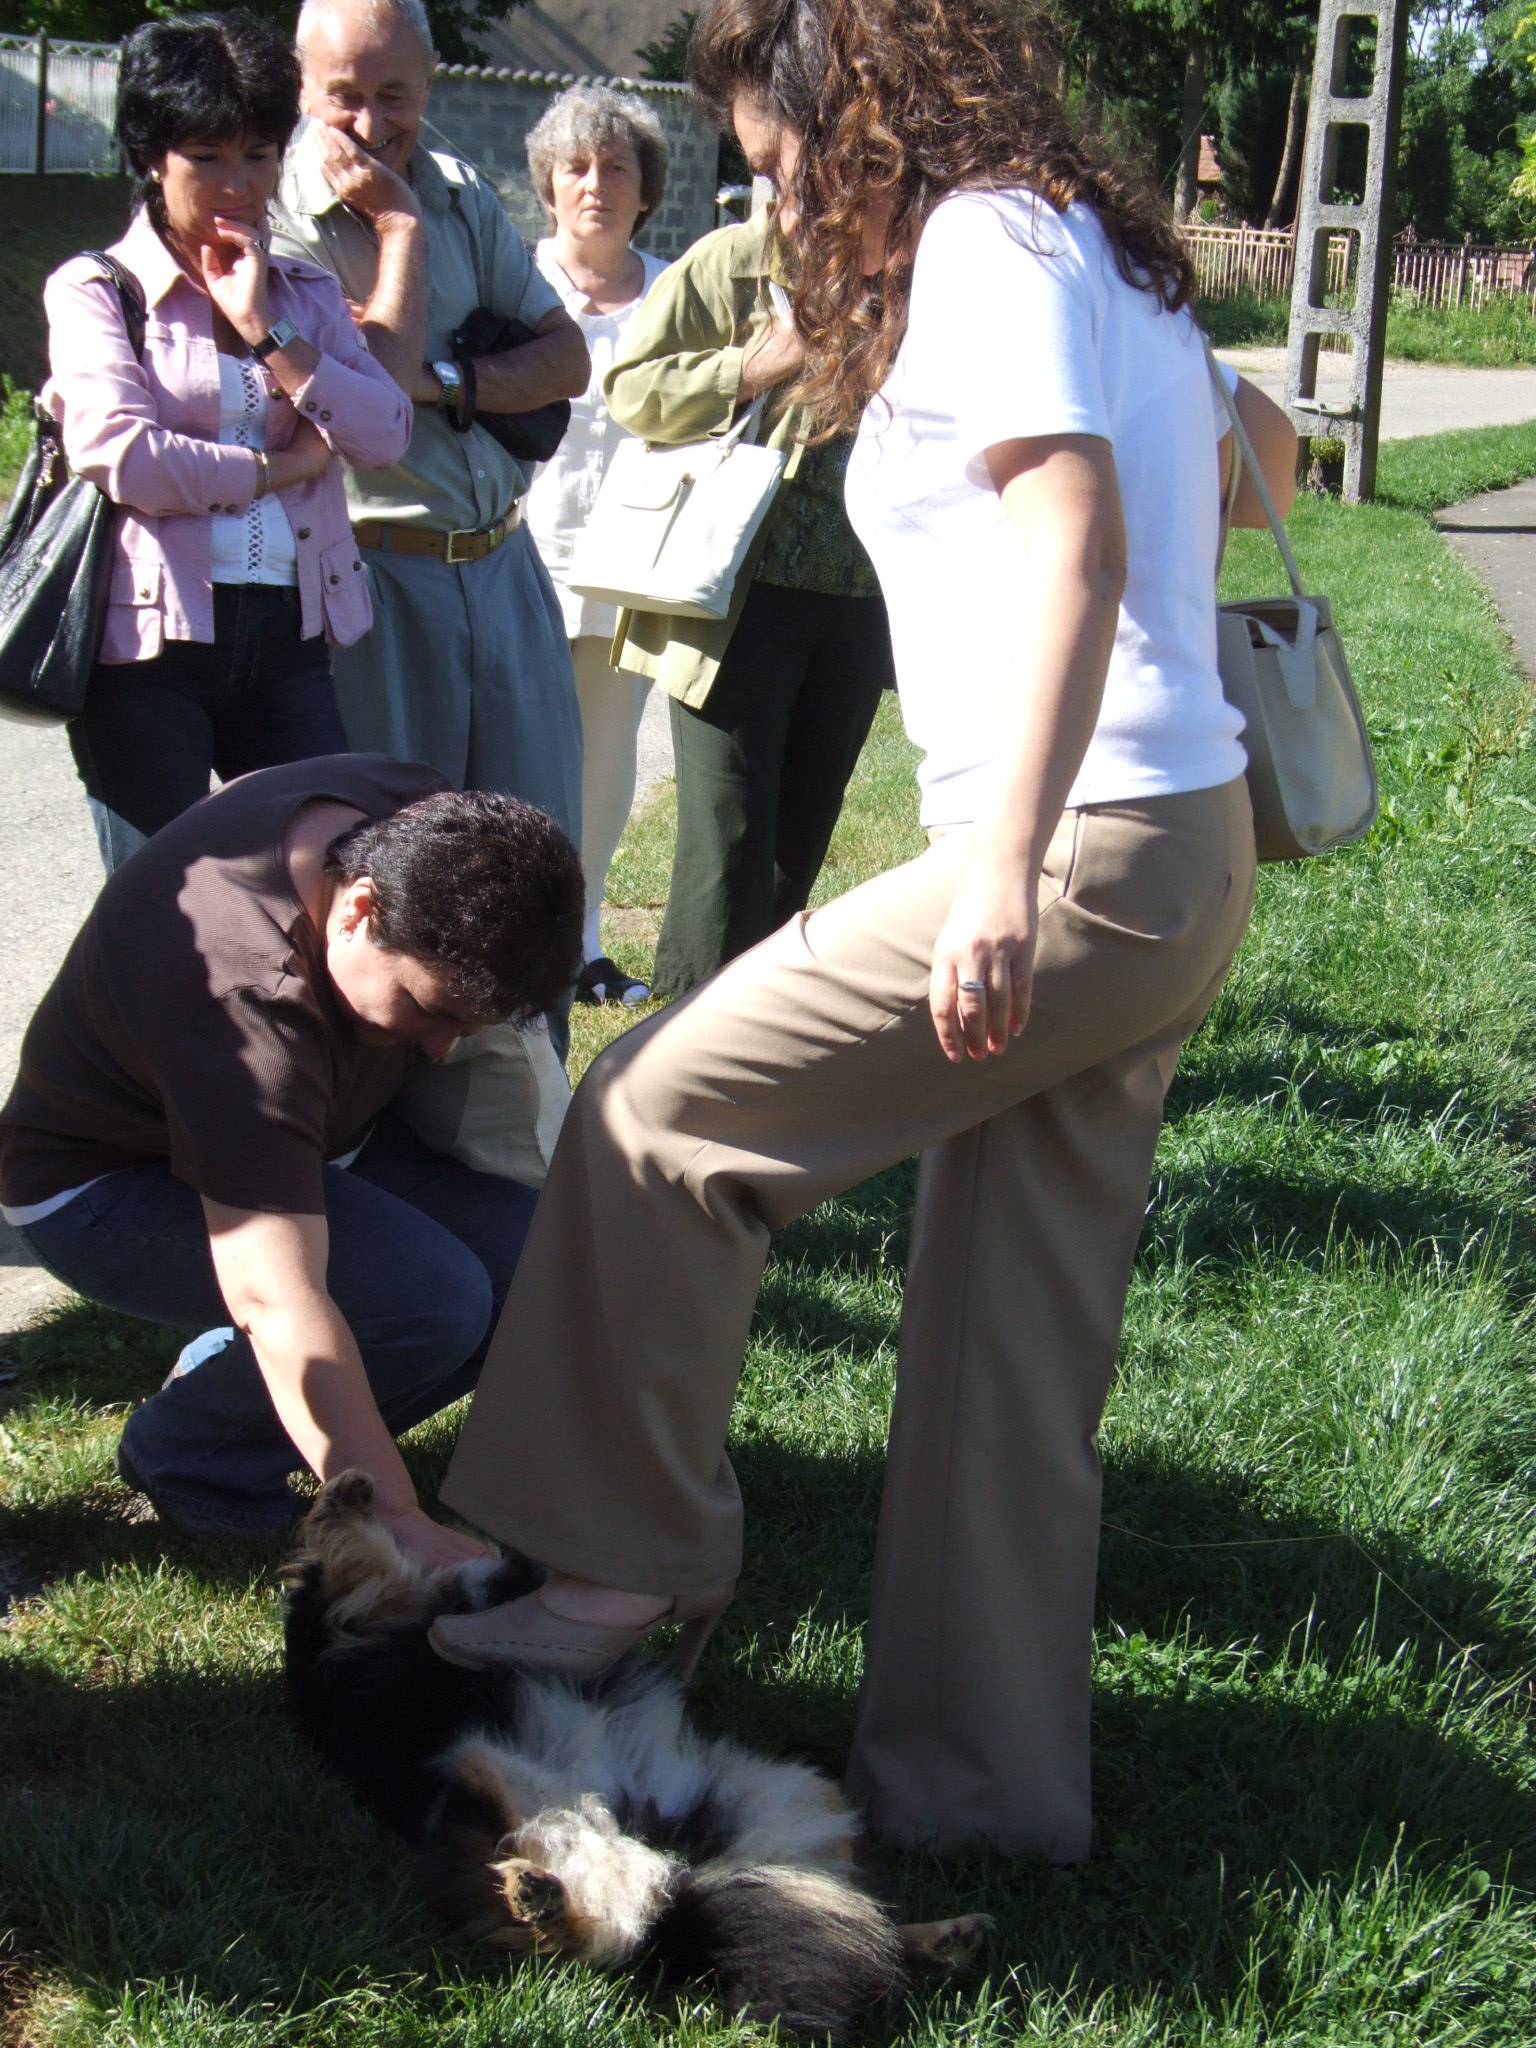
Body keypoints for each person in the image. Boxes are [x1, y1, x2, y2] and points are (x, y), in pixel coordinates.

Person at [424, 0, 1301, 1860]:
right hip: (1177, 841)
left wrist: (999, 860)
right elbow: (1264, 455)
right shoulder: (1092, 239)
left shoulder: (984, 239)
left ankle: (619, 1562)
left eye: (782, 155)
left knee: (656, 1116)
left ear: (867, 113)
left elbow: (1076, 539)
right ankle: (978, 1802)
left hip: (1074, 850)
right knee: (1005, 1352)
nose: (781, 196)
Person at [0, 757, 583, 1561]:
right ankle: (192, 1453)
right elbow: (276, 1295)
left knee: (538, 1267)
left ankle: (226, 1387)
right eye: (430, 1009)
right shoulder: (246, 1004)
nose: (441, 1048)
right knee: (429, 1304)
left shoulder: (415, 820)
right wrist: (394, 1518)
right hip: (110, 1182)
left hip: (319, 1136)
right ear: (361, 910)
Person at [44, 11, 412, 873]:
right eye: (206, 157)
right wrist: (278, 468)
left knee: (321, 876)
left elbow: (386, 432)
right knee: (165, 897)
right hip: (148, 646)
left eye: (257, 155)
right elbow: (123, 454)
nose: (237, 184)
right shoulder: (99, 290)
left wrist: (267, 330)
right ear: (153, 158)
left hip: (290, 634)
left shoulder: (302, 292)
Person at [267, 0, 590, 852]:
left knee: (537, 850)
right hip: (374, 582)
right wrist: (397, 225)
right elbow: (369, 393)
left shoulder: (461, 190)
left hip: (505, 565)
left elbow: (568, 360)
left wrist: (443, 382)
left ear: (431, 83)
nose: (371, 125)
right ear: (301, 86)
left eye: (395, 95)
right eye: (345, 95)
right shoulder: (277, 215)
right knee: (399, 864)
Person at [601, 172, 896, 1000]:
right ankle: (683, 1031)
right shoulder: (733, 263)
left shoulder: (910, 274)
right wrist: (756, 366)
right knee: (729, 834)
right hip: (737, 597)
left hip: (861, 595)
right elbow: (632, 391)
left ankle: (756, 1022)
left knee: (801, 833)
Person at [523, 85, 671, 1008]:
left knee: (605, 768)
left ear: (645, 189)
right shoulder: (515, 283)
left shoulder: (674, 292)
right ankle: (504, 938)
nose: (595, 185)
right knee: (514, 755)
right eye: (575, 167)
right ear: (548, 184)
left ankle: (579, 949)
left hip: (630, 567)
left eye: (616, 167)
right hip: (517, 557)